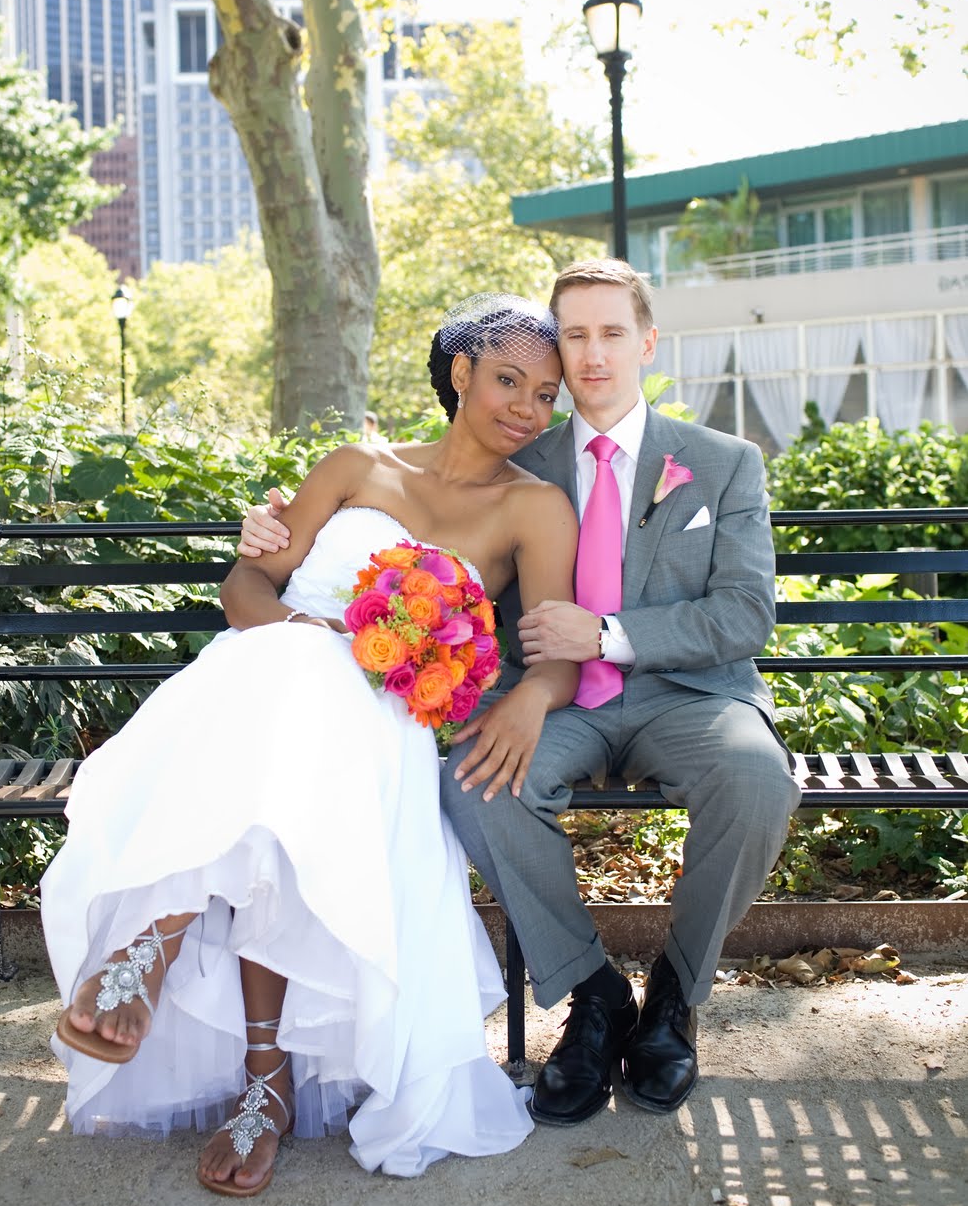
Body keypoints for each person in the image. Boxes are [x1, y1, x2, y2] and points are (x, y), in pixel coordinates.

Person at [41, 292, 580, 1193]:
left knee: (301, 743)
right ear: (460, 373)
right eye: (508, 381)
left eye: (546, 394)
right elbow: (244, 588)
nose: (527, 408)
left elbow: (554, 648)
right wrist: (308, 635)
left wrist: (532, 697)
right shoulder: (356, 465)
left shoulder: (535, 506)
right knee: (294, 709)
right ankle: (262, 1078)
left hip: (376, 721)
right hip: (264, 678)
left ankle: (151, 954)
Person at [241, 262, 800, 1128]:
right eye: (574, 334)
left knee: (757, 781)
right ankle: (593, 993)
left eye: (611, 332)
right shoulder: (513, 452)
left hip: (690, 695)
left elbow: (744, 614)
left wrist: (608, 636)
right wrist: (275, 525)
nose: (592, 354)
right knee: (476, 783)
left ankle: (675, 996)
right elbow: (397, 525)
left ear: (646, 343)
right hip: (556, 703)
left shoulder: (722, 464)